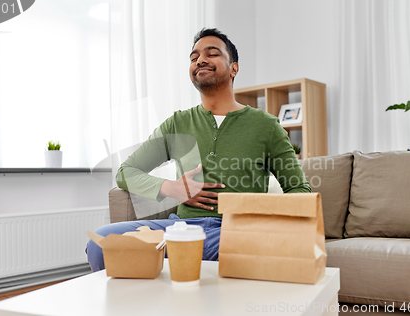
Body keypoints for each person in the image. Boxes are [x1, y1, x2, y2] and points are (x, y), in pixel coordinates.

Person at [86, 28, 311, 271]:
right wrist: (171, 188)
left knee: (255, 246)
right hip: (180, 230)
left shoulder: (266, 125)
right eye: (194, 58)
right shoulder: (177, 123)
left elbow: (299, 188)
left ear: (234, 68)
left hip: (235, 232)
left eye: (211, 54)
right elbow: (125, 172)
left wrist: (266, 219)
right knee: (101, 243)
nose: (200, 60)